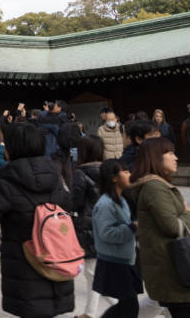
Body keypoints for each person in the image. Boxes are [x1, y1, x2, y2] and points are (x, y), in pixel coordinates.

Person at [0, 121, 76, 317]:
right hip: (56, 263)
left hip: (25, 268)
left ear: (12, 147)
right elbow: (68, 205)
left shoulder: (7, 182)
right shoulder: (55, 177)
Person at [129, 137, 190, 317]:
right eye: (170, 153)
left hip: (177, 268)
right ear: (155, 157)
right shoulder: (154, 187)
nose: (175, 157)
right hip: (173, 271)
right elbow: (172, 226)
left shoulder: (158, 185)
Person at [91, 158, 143, 318]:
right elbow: (106, 233)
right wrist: (132, 227)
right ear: (114, 178)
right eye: (125, 172)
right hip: (114, 262)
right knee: (129, 306)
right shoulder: (105, 204)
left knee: (127, 306)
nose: (130, 174)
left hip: (125, 259)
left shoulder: (122, 199)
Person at [73, 135, 105, 318]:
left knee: (93, 272)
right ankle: (90, 313)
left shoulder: (81, 172)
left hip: (89, 224)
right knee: (94, 271)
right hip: (107, 222)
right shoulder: (109, 169)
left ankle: (126, 308)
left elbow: (76, 202)